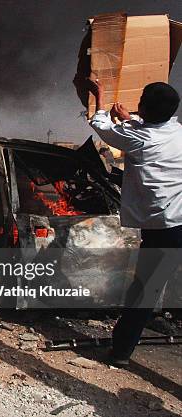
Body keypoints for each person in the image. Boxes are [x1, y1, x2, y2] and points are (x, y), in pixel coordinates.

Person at [87, 80, 182, 366]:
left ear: (144, 107)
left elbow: (101, 125)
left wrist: (99, 95)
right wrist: (130, 119)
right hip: (176, 221)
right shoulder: (176, 132)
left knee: (143, 291)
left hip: (163, 231)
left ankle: (120, 353)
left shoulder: (138, 138)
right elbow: (148, 131)